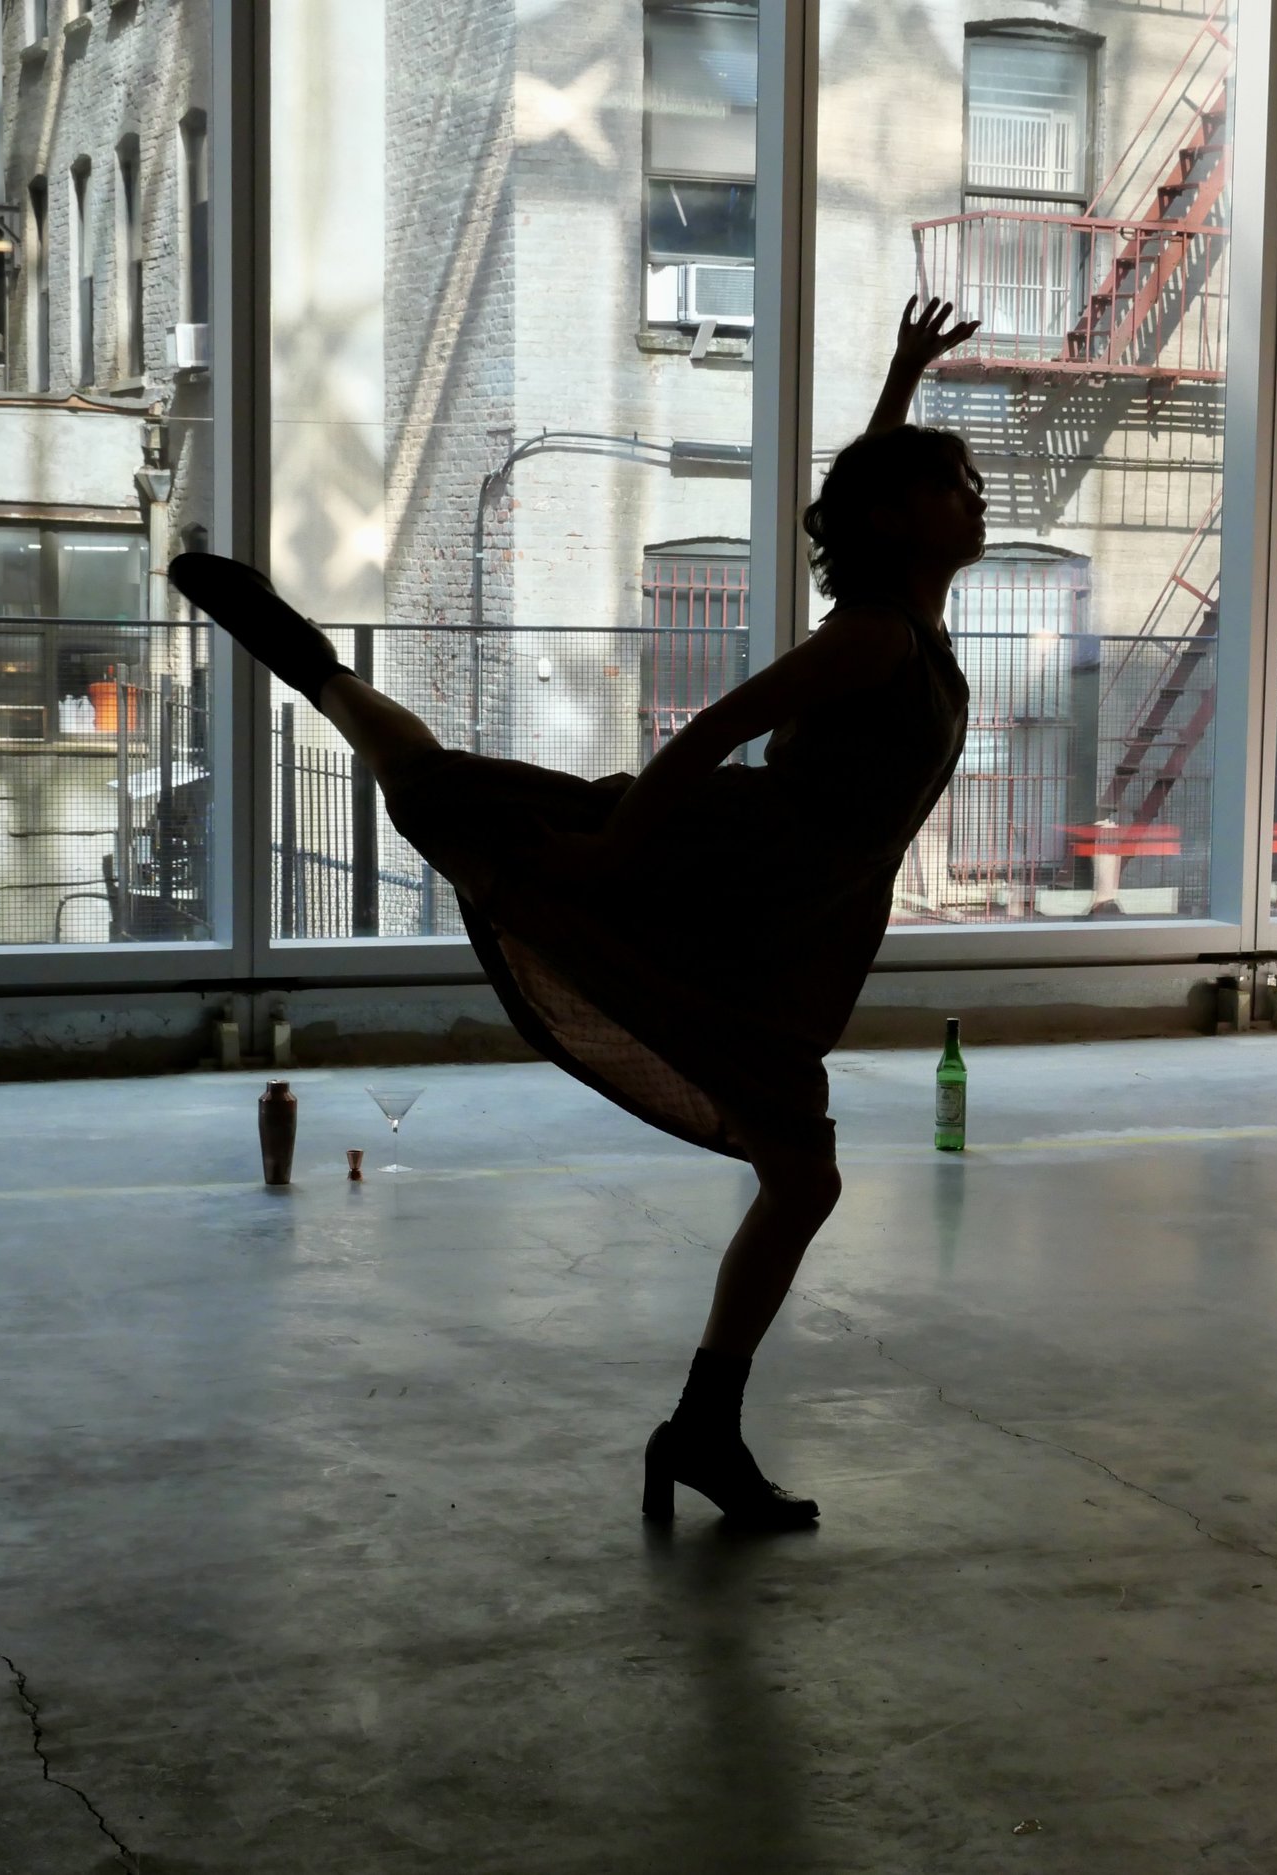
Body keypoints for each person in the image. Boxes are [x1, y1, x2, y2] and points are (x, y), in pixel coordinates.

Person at [170, 299, 986, 1528]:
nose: (973, 497)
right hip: (733, 869)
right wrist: (610, 856)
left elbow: (858, 508)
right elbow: (713, 728)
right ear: (894, 520)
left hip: (790, 917)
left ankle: (706, 1427)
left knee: (800, 1178)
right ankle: (316, 667)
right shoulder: (874, 637)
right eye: (950, 484)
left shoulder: (902, 614)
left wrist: (898, 382)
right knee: (460, 797)